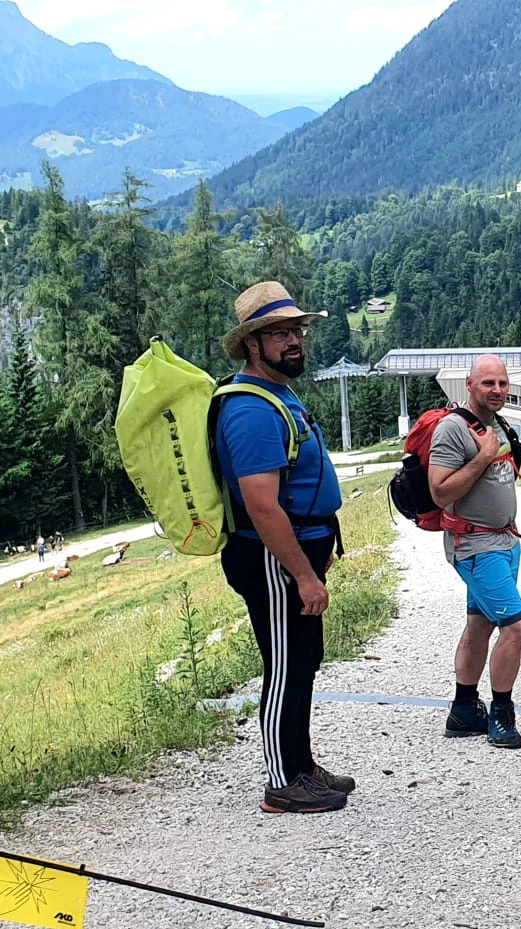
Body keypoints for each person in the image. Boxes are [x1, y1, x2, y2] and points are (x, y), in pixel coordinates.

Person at [213, 280, 354, 815]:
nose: (295, 341)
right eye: (280, 333)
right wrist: (304, 574)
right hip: (273, 558)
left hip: (294, 555)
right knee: (284, 665)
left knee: (303, 658)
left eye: (297, 330)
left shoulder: (277, 393)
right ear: (253, 343)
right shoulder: (249, 410)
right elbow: (262, 507)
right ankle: (281, 782)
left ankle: (302, 766)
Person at [429, 355, 521, 749]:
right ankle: (502, 715)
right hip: (474, 546)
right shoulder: (452, 430)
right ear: (469, 385)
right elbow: (440, 491)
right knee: (516, 626)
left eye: (502, 383)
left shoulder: (498, 424)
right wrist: (483, 457)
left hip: (504, 542)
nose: (497, 390)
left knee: (480, 624)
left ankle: (464, 710)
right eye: (488, 383)